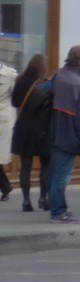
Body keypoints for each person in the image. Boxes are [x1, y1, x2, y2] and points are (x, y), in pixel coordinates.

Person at [48, 45, 80, 223]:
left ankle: (56, 209)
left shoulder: (58, 75)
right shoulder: (78, 84)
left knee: (56, 174)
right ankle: (58, 212)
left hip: (54, 131)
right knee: (62, 176)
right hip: (68, 135)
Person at [10, 53, 52, 211]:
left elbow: (14, 102)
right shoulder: (45, 84)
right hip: (42, 129)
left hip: (23, 128)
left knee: (25, 165)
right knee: (45, 164)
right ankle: (43, 198)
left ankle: (26, 201)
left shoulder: (20, 81)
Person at [0, 59, 15, 200]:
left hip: (3, 120)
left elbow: (16, 98)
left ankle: (5, 187)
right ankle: (6, 187)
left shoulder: (9, 75)